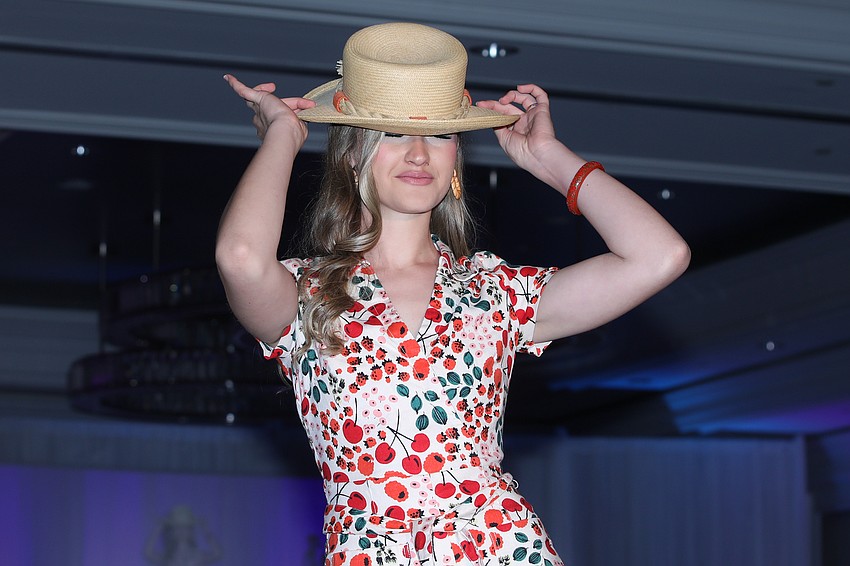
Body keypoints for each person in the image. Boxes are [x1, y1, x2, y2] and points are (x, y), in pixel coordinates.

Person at [217, 22, 689, 566]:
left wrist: (548, 159)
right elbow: (241, 257)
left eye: (440, 135)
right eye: (393, 133)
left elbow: (660, 256)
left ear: (456, 160)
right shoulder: (307, 293)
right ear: (352, 152)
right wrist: (284, 134)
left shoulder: (496, 293)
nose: (419, 153)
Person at [144, 505, 223, 566]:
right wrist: (158, 528)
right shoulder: (167, 557)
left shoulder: (198, 556)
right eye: (177, 528)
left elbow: (217, 553)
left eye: (185, 528)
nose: (181, 531)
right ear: (173, 532)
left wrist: (205, 529)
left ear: (191, 531)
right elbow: (148, 553)